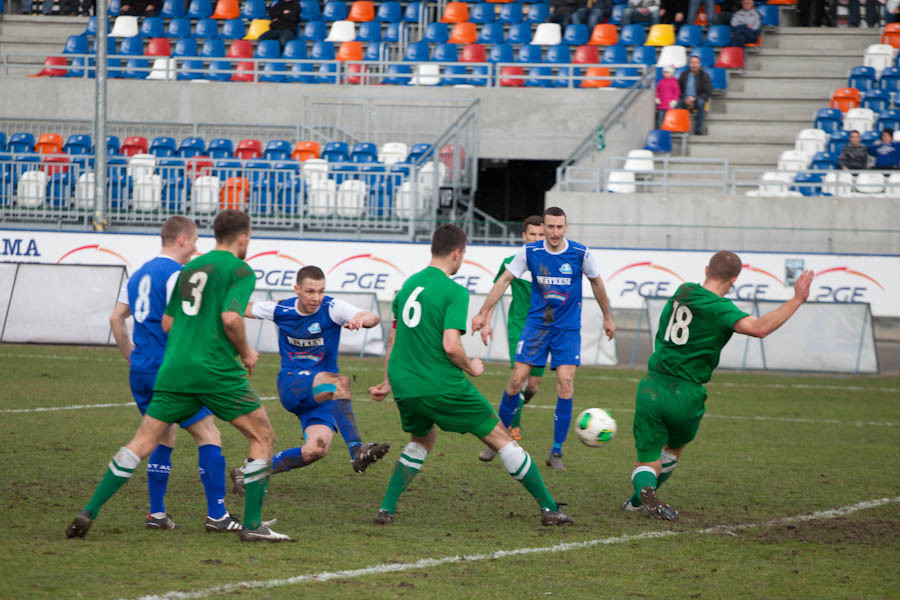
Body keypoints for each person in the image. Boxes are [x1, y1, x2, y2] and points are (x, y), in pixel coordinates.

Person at [67, 210, 291, 542]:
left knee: (142, 442)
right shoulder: (240, 270)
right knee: (262, 436)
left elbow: (169, 323)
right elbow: (231, 318)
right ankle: (252, 525)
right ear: (244, 237)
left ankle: (89, 511)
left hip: (173, 369)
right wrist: (246, 351)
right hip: (214, 369)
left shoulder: (190, 270)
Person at [368, 224, 573, 526]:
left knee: (422, 439)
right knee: (501, 437)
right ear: (457, 253)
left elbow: (393, 339)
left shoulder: (409, 285)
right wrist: (471, 367)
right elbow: (451, 346)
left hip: (404, 385)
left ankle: (386, 508)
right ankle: (549, 508)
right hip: (440, 384)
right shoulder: (454, 291)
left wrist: (387, 381)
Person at [622, 251, 812, 521]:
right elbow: (759, 328)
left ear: (706, 269)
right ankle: (636, 502)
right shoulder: (722, 309)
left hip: (653, 385)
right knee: (673, 449)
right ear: (734, 280)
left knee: (648, 455)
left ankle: (643, 494)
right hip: (687, 393)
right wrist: (797, 299)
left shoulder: (684, 291)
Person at [108, 216, 239, 533]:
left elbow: (115, 318)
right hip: (172, 371)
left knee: (161, 436)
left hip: (142, 370)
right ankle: (218, 516)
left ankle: (157, 514)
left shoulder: (138, 274)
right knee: (209, 435)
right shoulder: (179, 276)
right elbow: (183, 324)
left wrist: (131, 357)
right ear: (181, 240)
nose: (195, 248)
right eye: (194, 241)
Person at [471, 207, 616, 472]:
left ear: (566, 228)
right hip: (537, 327)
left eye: (559, 227)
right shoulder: (530, 252)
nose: (555, 232)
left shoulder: (580, 253)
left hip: (567, 329)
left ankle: (556, 452)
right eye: (550, 227)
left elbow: (597, 283)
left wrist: (607, 317)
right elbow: (504, 280)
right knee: (517, 380)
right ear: (544, 227)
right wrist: (483, 313)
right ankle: (496, 441)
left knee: (565, 382)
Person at [231, 265, 390, 490]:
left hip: (322, 394)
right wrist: (216, 301)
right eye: (310, 291)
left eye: (320, 291)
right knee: (340, 382)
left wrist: (362, 320)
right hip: (293, 383)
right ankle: (357, 451)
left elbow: (371, 317)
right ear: (297, 289)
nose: (316, 297)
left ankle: (247, 473)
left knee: (316, 449)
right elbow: (241, 309)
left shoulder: (332, 307)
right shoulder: (281, 309)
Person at [476, 216, 547, 462]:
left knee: (533, 386)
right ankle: (507, 430)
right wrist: (486, 321)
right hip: (519, 328)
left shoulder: (552, 263)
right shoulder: (512, 262)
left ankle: (511, 411)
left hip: (544, 330)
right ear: (524, 236)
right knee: (519, 377)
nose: (536, 239)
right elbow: (497, 290)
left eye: (541, 235)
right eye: (532, 234)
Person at [677, 55, 712, 135]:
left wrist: (694, 98)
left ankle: (698, 130)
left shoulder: (705, 76)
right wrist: (684, 98)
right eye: (692, 62)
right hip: (685, 99)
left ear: (700, 64)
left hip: (697, 99)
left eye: (696, 63)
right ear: (689, 64)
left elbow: (707, 92)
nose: (694, 65)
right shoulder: (684, 74)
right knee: (677, 103)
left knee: (701, 102)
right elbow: (678, 89)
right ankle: (680, 128)